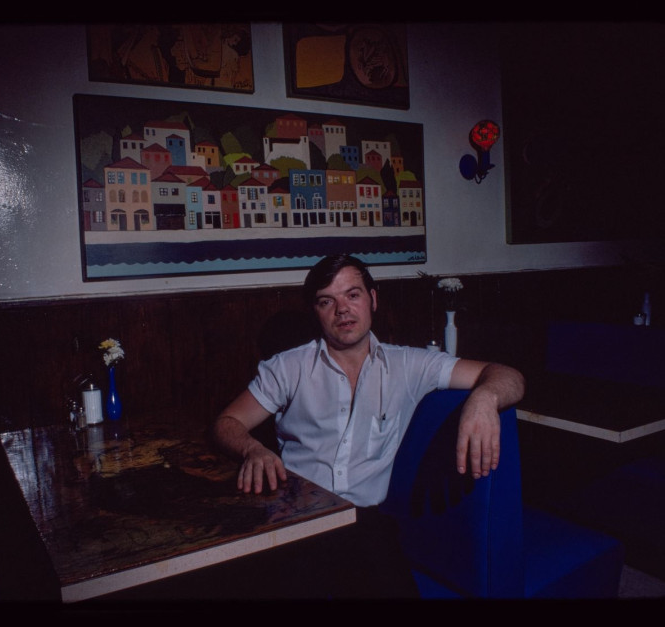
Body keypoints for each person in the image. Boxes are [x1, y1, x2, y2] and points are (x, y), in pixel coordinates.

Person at [211, 254, 525, 599]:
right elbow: (227, 423)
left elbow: (507, 375)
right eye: (326, 301)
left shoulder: (409, 365)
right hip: (293, 520)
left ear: (373, 299)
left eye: (352, 295)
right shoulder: (287, 368)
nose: (342, 310)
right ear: (315, 312)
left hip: (368, 524)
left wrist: (484, 399)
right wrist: (252, 448)